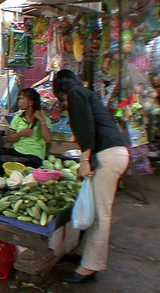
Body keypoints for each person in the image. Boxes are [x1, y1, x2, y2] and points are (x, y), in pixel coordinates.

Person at [53, 69, 129, 284]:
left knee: (101, 215)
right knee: (97, 211)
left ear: (60, 89)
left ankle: (90, 266)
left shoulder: (76, 94)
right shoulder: (84, 93)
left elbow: (87, 129)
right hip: (111, 154)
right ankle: (82, 253)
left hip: (108, 155)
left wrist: (85, 160)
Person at [0, 88, 51, 168]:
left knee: (29, 163)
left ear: (30, 102)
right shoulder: (18, 118)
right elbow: (9, 138)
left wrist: (42, 120)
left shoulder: (44, 119)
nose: (19, 101)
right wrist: (21, 134)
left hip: (33, 156)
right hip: (17, 153)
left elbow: (47, 139)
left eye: (21, 98)